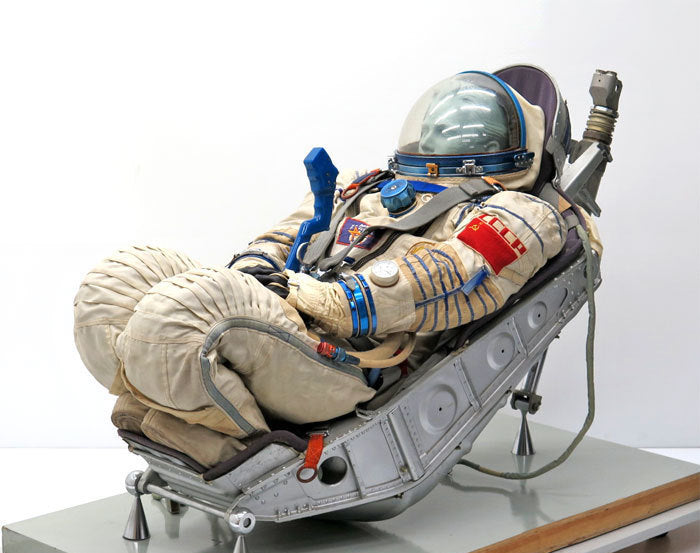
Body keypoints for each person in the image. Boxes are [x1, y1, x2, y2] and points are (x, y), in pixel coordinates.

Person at [73, 71, 569, 467]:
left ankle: (257, 453)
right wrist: (257, 272)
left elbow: (445, 278)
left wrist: (320, 298)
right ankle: (180, 414)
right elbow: (284, 236)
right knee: (111, 289)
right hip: (285, 320)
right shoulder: (363, 183)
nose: (441, 138)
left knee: (179, 315)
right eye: (436, 127)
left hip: (355, 361)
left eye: (463, 130)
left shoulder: (519, 214)